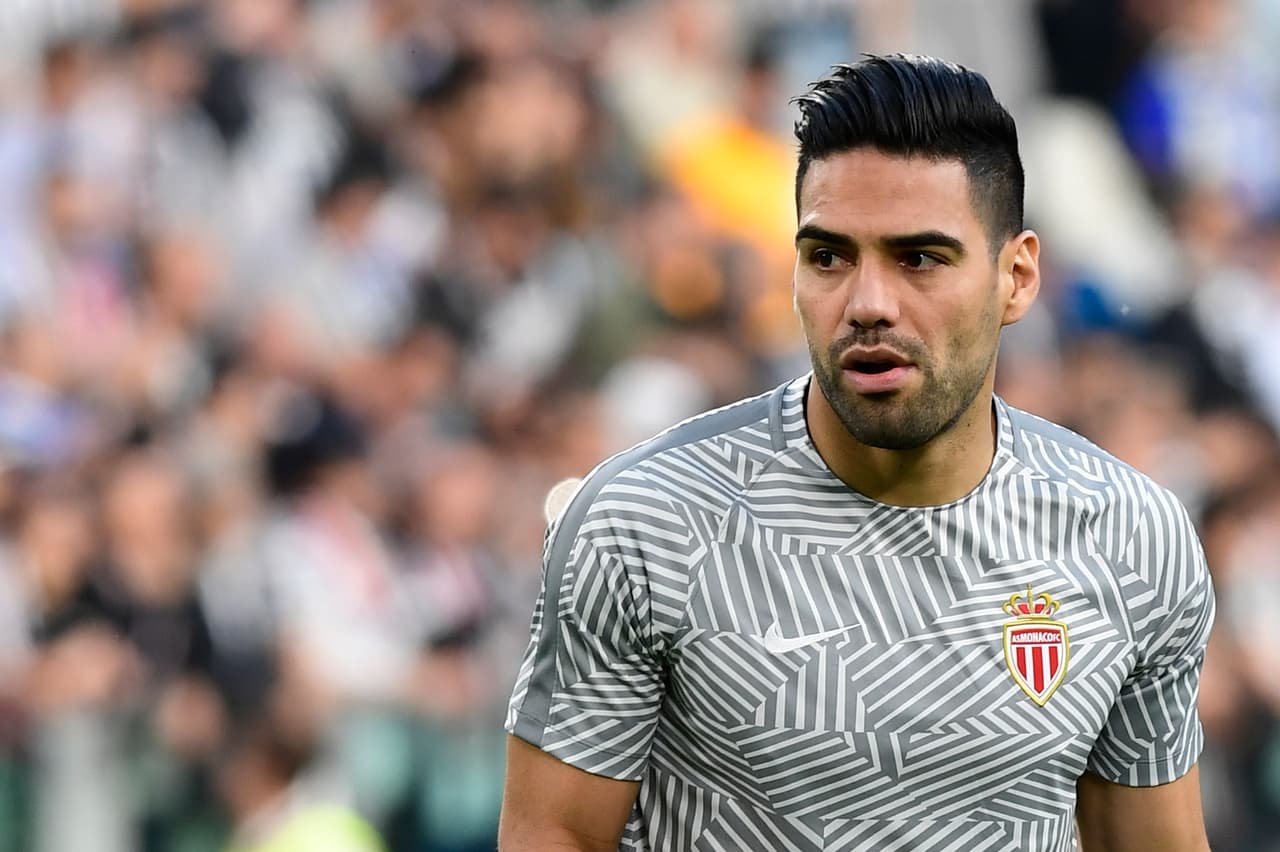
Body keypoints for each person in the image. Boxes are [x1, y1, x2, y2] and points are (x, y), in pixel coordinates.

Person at [499, 54, 1215, 852]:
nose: (868, 304)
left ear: (1016, 278)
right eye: (829, 256)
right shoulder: (648, 524)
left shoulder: (1128, 538)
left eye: (919, 259)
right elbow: (553, 833)